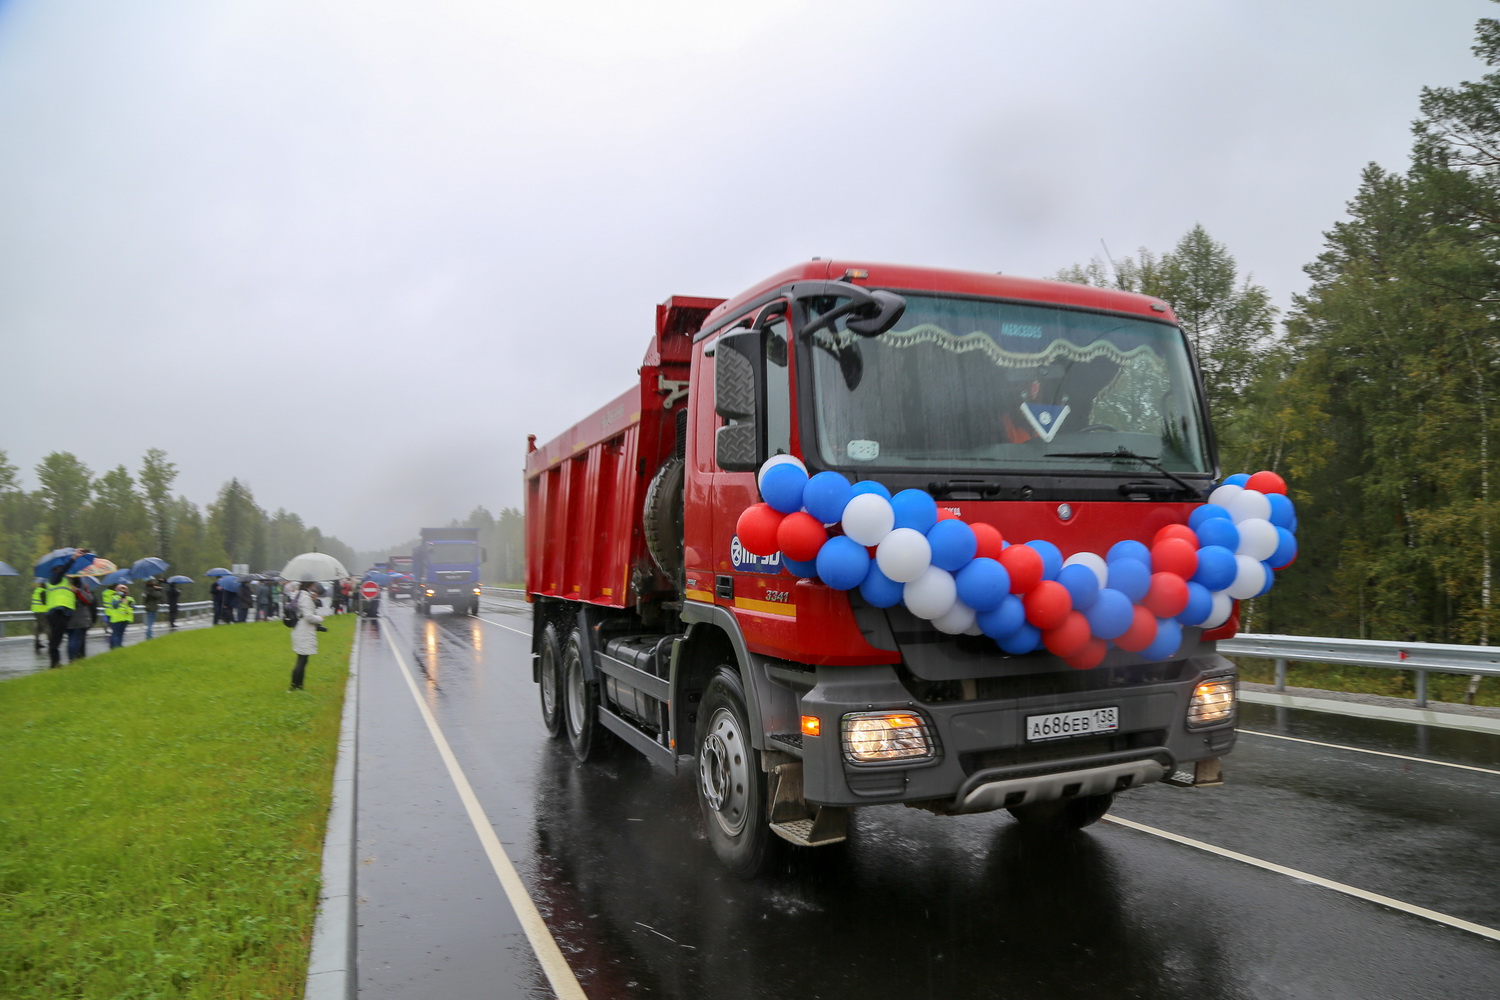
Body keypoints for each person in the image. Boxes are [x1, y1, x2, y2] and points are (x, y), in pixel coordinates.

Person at [288, 582, 326, 690]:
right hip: (304, 631)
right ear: (310, 585)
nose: (314, 587)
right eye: (313, 584)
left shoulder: (300, 594)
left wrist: (313, 600)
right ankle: (294, 686)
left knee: (303, 659)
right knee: (302, 660)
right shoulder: (305, 597)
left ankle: (299, 686)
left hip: (300, 629)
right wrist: (320, 618)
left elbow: (304, 610)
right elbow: (308, 616)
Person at [42, 567, 75, 668]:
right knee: (55, 640)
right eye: (59, 569)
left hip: (62, 613)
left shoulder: (63, 581)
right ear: (55, 570)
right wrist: (73, 559)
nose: (62, 571)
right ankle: (55, 664)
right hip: (57, 613)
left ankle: (55, 663)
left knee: (56, 639)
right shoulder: (55, 579)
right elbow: (62, 573)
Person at [66, 578, 96, 662]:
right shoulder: (80, 590)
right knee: (76, 640)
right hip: (79, 619)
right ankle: (74, 659)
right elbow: (89, 600)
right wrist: (82, 590)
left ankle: (72, 659)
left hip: (69, 618)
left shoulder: (65, 586)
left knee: (71, 639)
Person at [105, 584, 134, 649]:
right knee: (116, 634)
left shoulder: (129, 598)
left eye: (125, 590)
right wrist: (120, 600)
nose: (123, 591)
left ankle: (119, 646)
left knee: (121, 634)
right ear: (117, 591)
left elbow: (133, 606)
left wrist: (128, 602)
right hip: (117, 619)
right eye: (121, 590)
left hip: (125, 618)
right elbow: (114, 605)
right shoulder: (114, 597)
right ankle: (116, 647)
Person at [30, 580, 48, 652]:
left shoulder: (36, 590)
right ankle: (51, 641)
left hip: (36, 611)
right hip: (42, 611)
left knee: (38, 627)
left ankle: (37, 643)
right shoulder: (43, 591)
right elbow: (44, 602)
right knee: (46, 626)